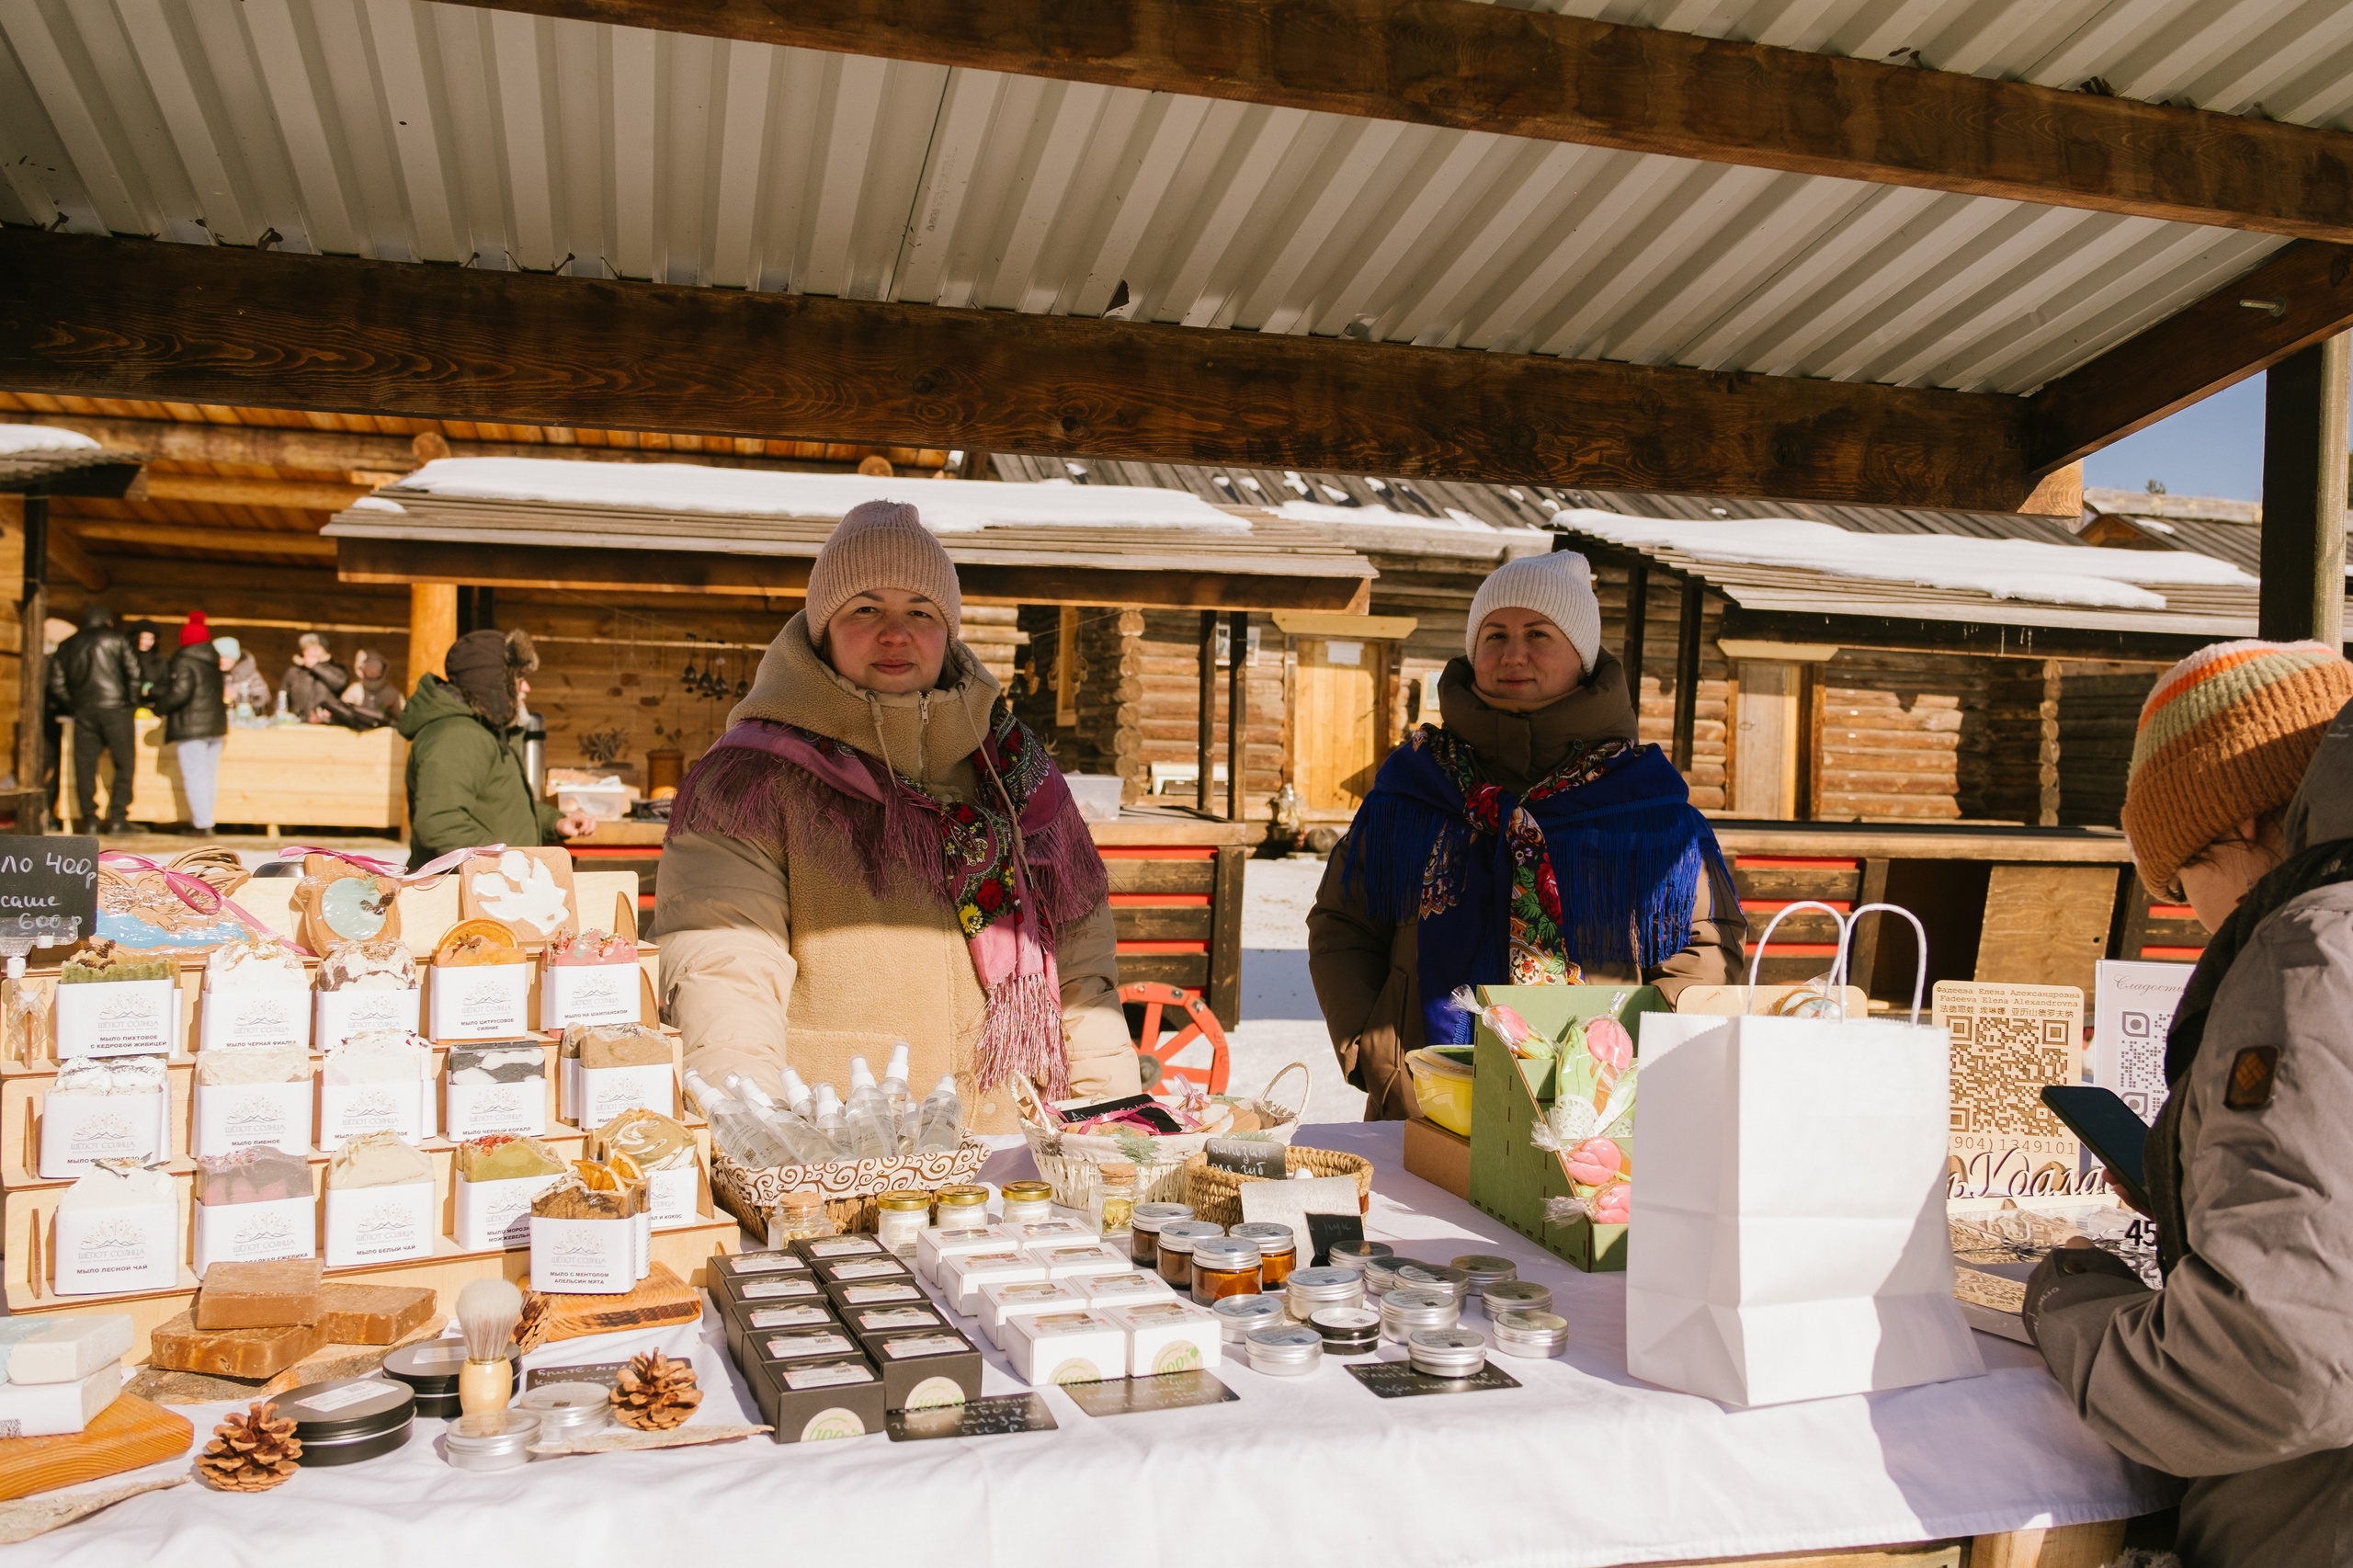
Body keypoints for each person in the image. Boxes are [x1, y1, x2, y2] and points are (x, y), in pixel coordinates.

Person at [2022, 640, 2353, 1567]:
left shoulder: (2313, 951)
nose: (2189, 913)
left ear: (2243, 818)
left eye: (2179, 877)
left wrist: (2073, 1306)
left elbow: (2271, 1363)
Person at [654, 500, 1140, 1132]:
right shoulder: (752, 779)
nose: (895, 633)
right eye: (865, 609)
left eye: (920, 611)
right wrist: (755, 1127)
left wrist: (1110, 1120)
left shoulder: (1014, 768)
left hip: (1016, 1147)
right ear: (823, 628)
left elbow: (1081, 968)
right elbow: (726, 970)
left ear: (949, 631)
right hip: (842, 1147)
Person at [1307, 551, 1745, 1119]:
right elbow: (1344, 923)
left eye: (1539, 634)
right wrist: (1377, 1055)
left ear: (1581, 657)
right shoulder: (1413, 790)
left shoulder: (1644, 803)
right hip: (1424, 1105)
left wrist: (1632, 1066)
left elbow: (1704, 949)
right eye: (1494, 635)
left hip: (1597, 1118)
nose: (1513, 654)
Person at [397, 628, 594, 870]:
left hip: (487, 892)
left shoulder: (483, 731)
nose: (526, 689)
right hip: (459, 895)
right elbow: (441, 823)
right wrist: (506, 865)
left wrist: (555, 822)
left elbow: (500, 806)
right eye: (518, 680)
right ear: (494, 685)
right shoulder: (458, 737)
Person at [45, 606, 144, 833]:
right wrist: (130, 704)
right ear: (108, 621)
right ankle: (119, 818)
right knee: (124, 764)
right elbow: (135, 674)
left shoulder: (67, 645)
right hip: (117, 710)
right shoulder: (118, 639)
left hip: (84, 711)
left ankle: (90, 820)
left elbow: (56, 684)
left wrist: (74, 705)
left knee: (85, 766)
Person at [144, 611, 229, 833]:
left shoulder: (185, 660)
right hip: (214, 725)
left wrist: (159, 708)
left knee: (194, 775)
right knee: (208, 775)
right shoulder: (212, 660)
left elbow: (180, 692)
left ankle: (202, 825)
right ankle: (205, 821)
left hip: (192, 726)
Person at [282, 633, 352, 723]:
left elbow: (339, 684)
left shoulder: (336, 670)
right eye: (308, 649)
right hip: (298, 723)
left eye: (316, 649)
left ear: (324, 651)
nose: (312, 652)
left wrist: (315, 667)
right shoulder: (294, 672)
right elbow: (282, 696)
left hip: (327, 723)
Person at [346, 649, 404, 721]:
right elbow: (344, 712)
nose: (373, 678)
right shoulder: (354, 690)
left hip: (384, 730)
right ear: (360, 670)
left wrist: (392, 708)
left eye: (376, 675)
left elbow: (403, 715)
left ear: (383, 670)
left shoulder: (391, 692)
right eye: (369, 673)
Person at [216, 637, 269, 716]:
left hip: (243, 723)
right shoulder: (210, 673)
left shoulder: (249, 674)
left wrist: (238, 697)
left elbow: (263, 702)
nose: (222, 661)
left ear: (235, 657)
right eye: (219, 657)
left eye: (227, 657)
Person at [124, 622, 166, 703]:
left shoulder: (160, 661)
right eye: (143, 638)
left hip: (150, 707)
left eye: (151, 639)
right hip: (125, 706)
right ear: (135, 637)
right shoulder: (125, 658)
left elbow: (166, 687)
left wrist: (150, 691)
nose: (147, 643)